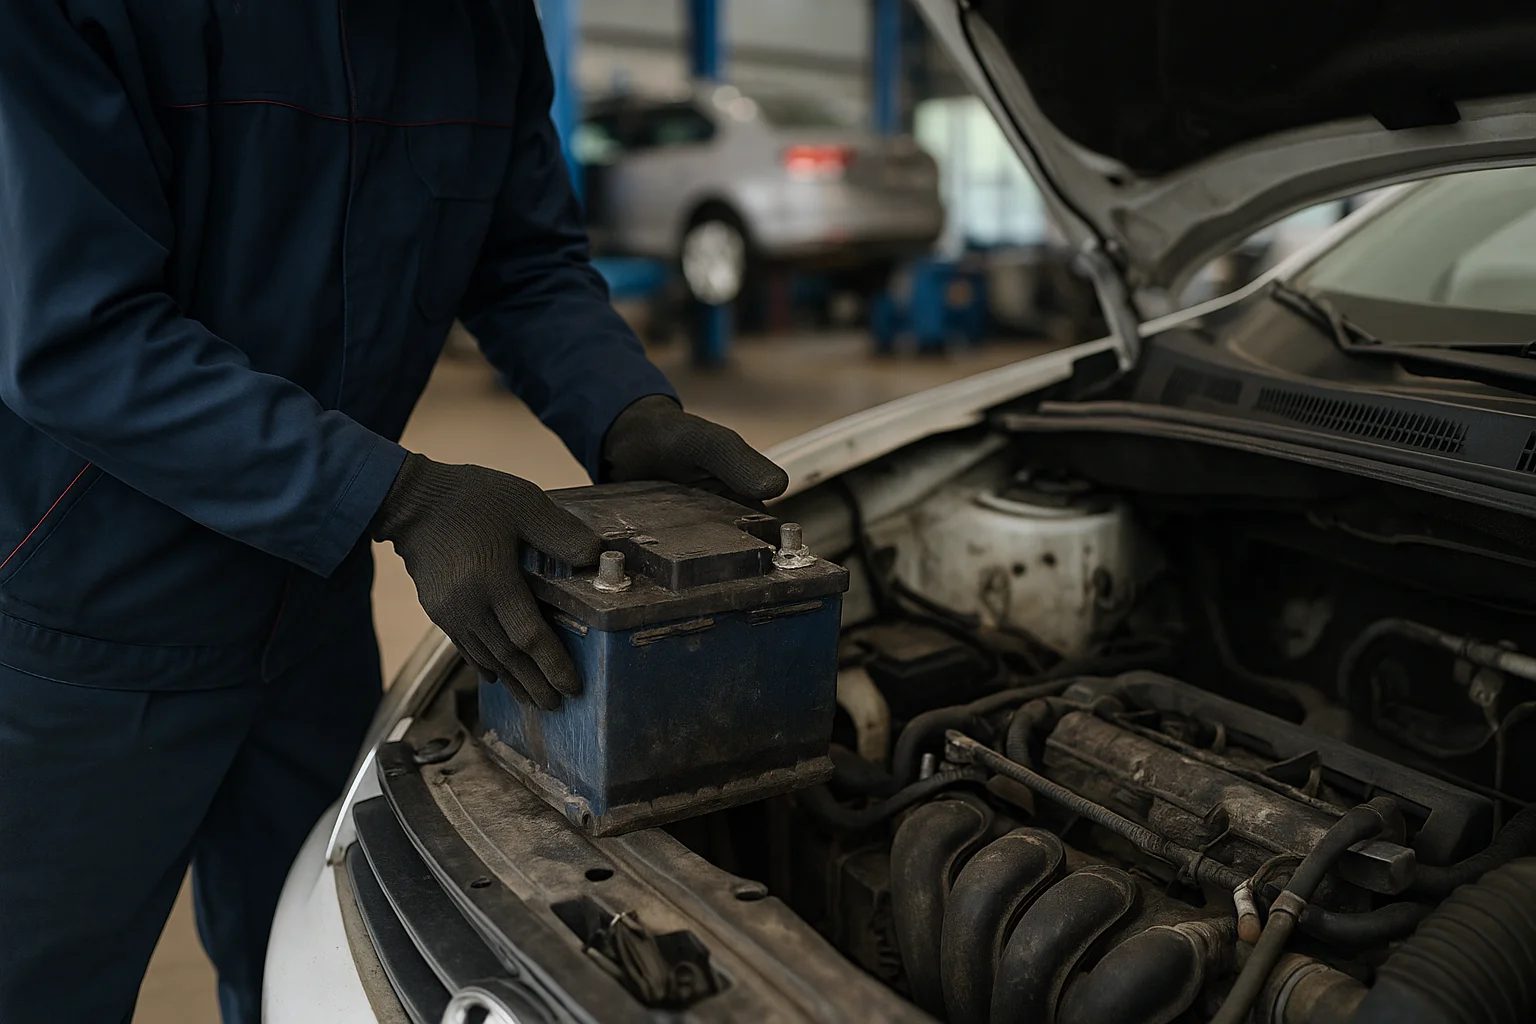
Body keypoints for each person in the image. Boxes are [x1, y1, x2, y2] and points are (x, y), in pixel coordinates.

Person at [0, 2, 787, 1021]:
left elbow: (526, 262)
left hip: (309, 620)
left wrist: (623, 412)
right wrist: (402, 494)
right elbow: (78, 336)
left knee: (323, 978)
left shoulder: (481, 29)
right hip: (87, 631)